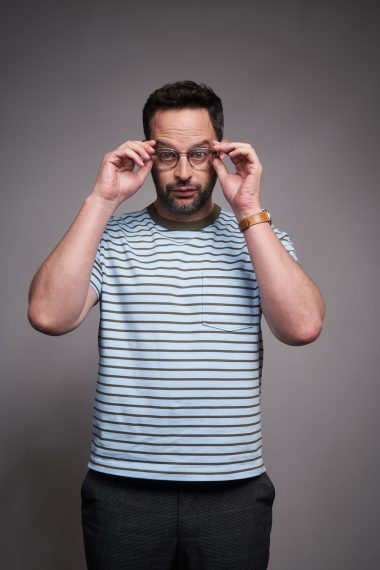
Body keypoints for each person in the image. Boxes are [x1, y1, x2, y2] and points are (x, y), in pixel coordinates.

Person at [28, 80, 325, 570]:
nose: (183, 172)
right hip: (123, 492)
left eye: (199, 153)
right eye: (167, 155)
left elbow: (303, 326)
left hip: (233, 492)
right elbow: (48, 316)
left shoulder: (259, 237)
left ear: (220, 154)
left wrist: (249, 210)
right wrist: (102, 202)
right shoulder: (110, 238)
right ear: (147, 154)